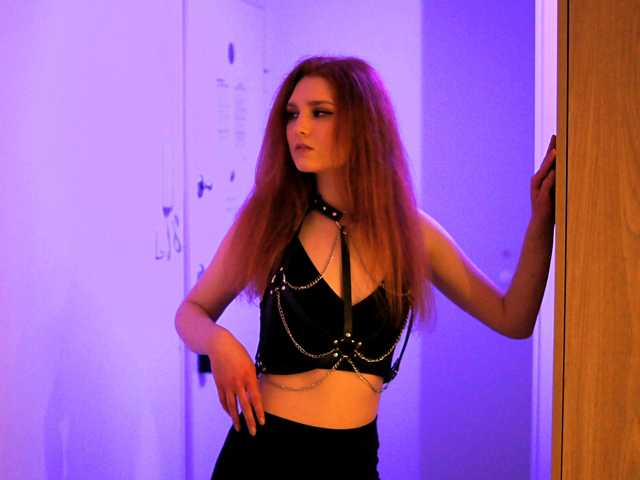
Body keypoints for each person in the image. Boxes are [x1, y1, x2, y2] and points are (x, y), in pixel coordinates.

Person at [174, 55, 557, 479]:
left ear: (363, 123)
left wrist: (542, 223)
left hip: (355, 462)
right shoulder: (271, 220)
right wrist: (219, 342)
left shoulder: (411, 232)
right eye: (292, 114)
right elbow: (190, 312)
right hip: (262, 459)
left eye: (320, 113)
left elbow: (513, 318)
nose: (299, 128)